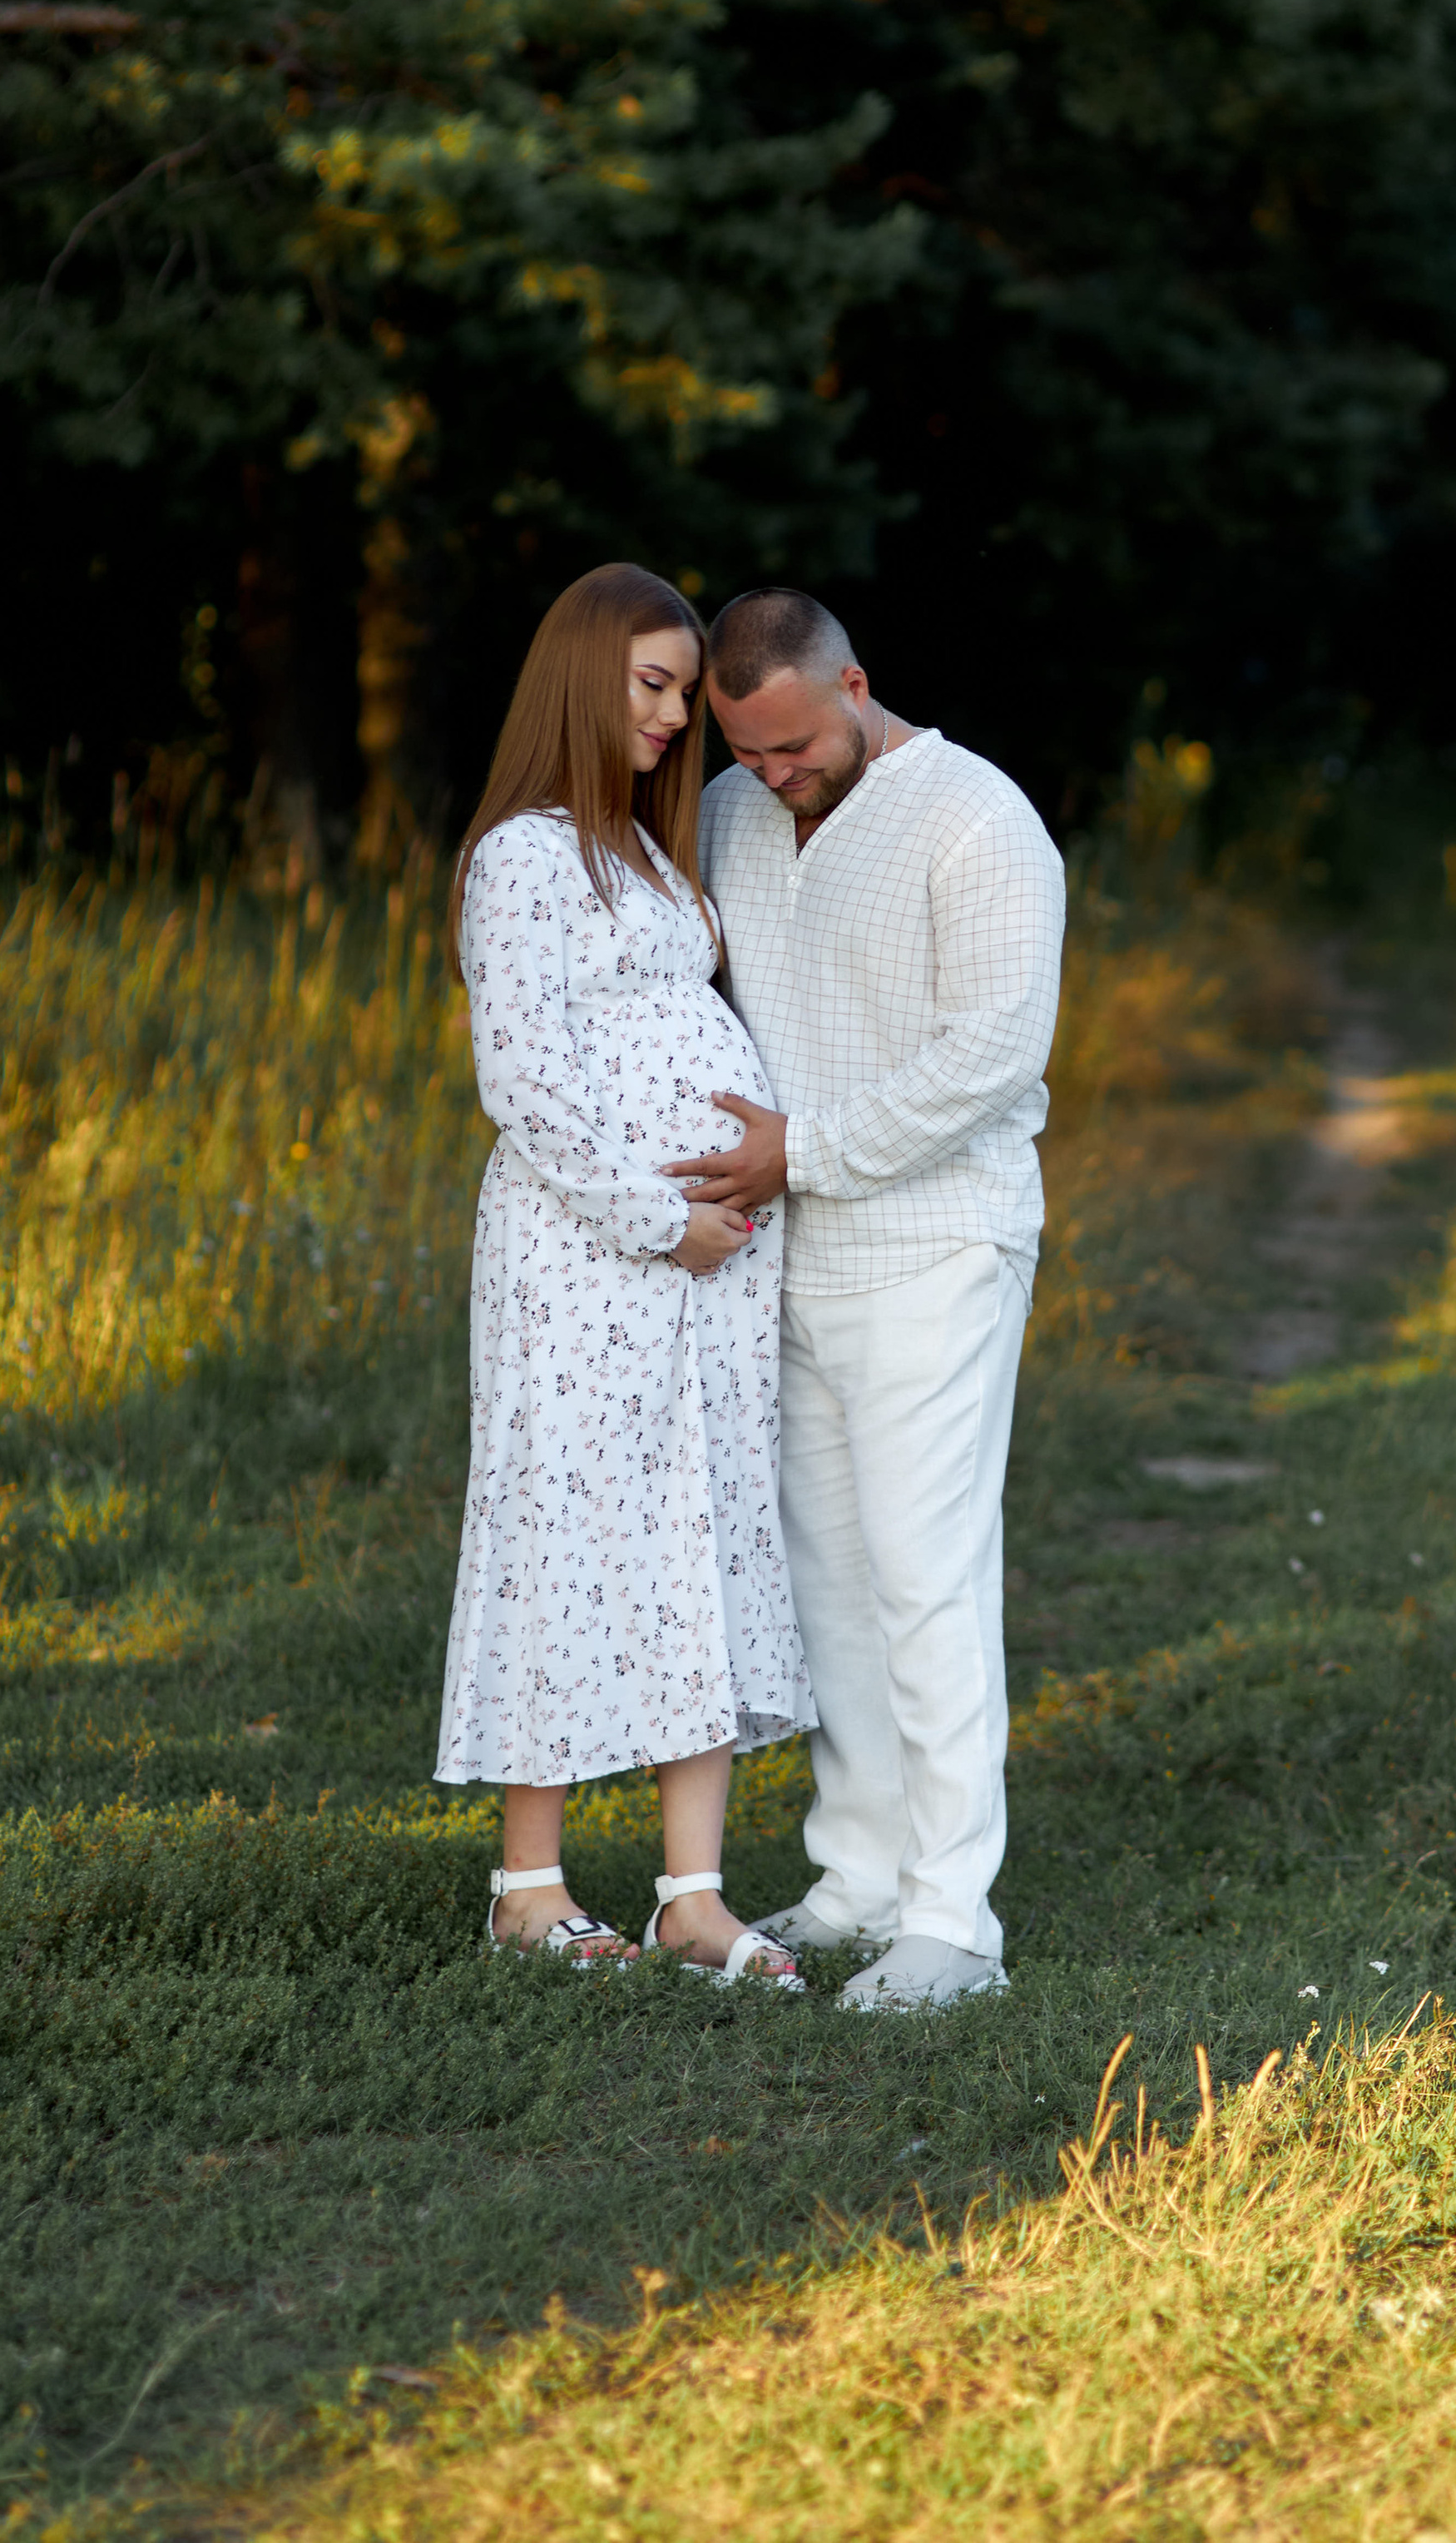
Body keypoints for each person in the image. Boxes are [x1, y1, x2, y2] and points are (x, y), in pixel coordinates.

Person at [673, 589, 1066, 2011]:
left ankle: (954, 1923)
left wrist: (806, 1151)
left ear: (853, 680)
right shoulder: (726, 810)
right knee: (832, 1584)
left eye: (792, 743)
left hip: (939, 1246)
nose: (773, 774)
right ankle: (857, 1877)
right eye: (748, 751)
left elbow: (996, 1054)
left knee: (927, 1578)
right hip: (793, 1260)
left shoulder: (976, 818)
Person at [434, 562, 812, 1989]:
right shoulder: (524, 855)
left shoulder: (655, 855)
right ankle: (528, 1885)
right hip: (587, 1259)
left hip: (702, 1275)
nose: (669, 716)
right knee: (568, 1527)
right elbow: (526, 1086)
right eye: (647, 685)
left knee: (691, 1537)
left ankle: (692, 1894)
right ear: (580, 678)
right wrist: (663, 1220)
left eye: (678, 692)